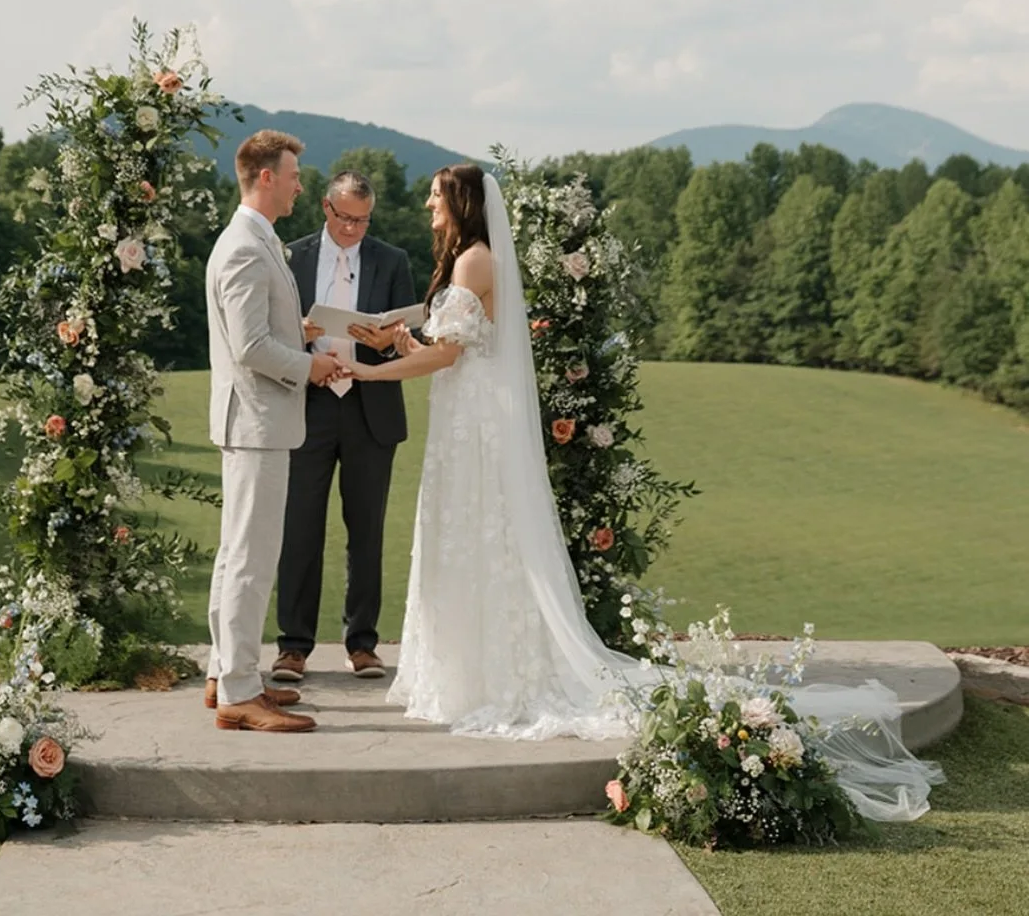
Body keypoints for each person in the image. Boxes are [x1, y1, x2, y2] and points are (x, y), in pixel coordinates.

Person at [343, 162, 944, 821]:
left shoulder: (473, 262)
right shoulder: (471, 260)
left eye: (434, 196)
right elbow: (455, 342)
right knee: (470, 540)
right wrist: (397, 337)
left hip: (474, 428)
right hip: (469, 421)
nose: (428, 204)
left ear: (459, 202)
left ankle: (484, 677)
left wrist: (369, 371)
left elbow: (447, 357)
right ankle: (468, 667)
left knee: (479, 539)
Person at [203, 128, 344, 732]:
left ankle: (224, 674)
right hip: (257, 419)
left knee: (240, 551)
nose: (299, 185)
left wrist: (309, 333)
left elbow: (267, 330)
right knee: (252, 558)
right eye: (292, 175)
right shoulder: (242, 246)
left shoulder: (259, 241)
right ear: (266, 177)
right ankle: (238, 691)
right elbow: (251, 346)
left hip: (260, 419)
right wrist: (309, 365)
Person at [271, 170, 417, 685]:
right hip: (307, 403)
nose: (355, 229)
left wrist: (386, 341)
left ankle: (363, 644)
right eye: (347, 218)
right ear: (327, 210)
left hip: (368, 405)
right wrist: (301, 332)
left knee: (367, 530)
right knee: (299, 529)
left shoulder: (392, 259)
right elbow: (268, 328)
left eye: (364, 219)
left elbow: (409, 335)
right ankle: (293, 647)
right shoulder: (291, 257)